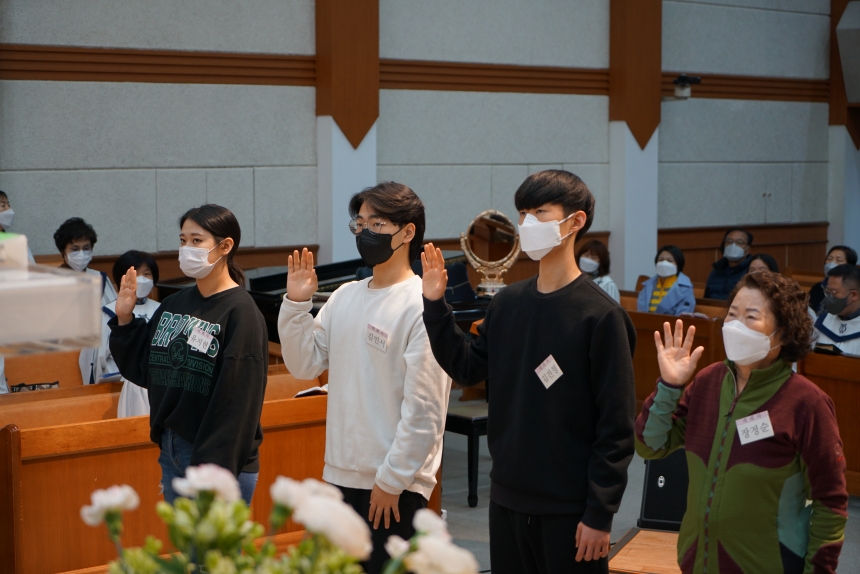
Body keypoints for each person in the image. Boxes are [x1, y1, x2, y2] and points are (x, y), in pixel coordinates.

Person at [422, 170, 636, 573]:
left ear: (575, 221)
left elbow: (616, 426)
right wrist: (435, 306)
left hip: (570, 506)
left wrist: (600, 512)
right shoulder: (508, 303)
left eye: (540, 212)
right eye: (523, 213)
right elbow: (467, 368)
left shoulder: (601, 316)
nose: (527, 223)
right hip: (506, 497)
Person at [277, 182, 449, 574]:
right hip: (339, 473)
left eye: (378, 223)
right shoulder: (345, 296)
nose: (365, 232)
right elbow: (304, 365)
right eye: (361, 223)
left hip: (394, 485)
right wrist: (297, 304)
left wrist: (391, 480)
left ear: (407, 232)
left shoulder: (422, 304)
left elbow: (425, 408)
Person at [635, 271, 847, 573]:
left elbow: (831, 503)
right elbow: (650, 445)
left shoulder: (807, 402)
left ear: (783, 332)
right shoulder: (707, 382)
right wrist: (669, 386)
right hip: (698, 562)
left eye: (751, 316)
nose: (735, 325)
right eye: (732, 315)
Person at [108, 204, 267, 504]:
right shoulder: (174, 304)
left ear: (225, 246)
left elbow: (237, 403)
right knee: (183, 536)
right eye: (183, 240)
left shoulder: (241, 312)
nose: (186, 249)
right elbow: (145, 368)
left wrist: (211, 472)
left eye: (197, 240)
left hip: (217, 459)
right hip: (173, 450)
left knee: (209, 538)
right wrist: (125, 318)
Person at [54, 217, 119, 385]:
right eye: (75, 249)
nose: (81, 254)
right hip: (63, 358)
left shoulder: (100, 279)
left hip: (100, 355)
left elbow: (114, 316)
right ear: (63, 251)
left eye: (86, 248)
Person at [98, 251, 161, 417]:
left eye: (146, 274)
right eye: (135, 274)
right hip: (125, 383)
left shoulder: (162, 308)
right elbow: (98, 358)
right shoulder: (109, 312)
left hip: (158, 385)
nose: (141, 279)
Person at [813, 264, 860, 355]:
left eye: (834, 292)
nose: (829, 297)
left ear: (854, 295)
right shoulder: (821, 323)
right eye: (828, 291)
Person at [637, 245, 696, 315]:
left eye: (669, 261)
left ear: (678, 264)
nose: (664, 263)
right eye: (661, 260)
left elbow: (682, 317)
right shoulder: (648, 286)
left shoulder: (685, 288)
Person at [704, 228, 753, 300]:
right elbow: (707, 296)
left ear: (747, 250)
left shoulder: (751, 270)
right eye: (729, 241)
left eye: (739, 242)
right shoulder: (717, 270)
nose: (733, 245)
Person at [809, 246, 857, 314]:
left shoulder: (852, 290)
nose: (832, 263)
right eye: (829, 259)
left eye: (839, 260)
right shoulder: (817, 288)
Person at [0, 191, 36, 263]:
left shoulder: (15, 242)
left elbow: (28, 266)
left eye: (8, 205)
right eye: (3, 205)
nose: (8, 209)